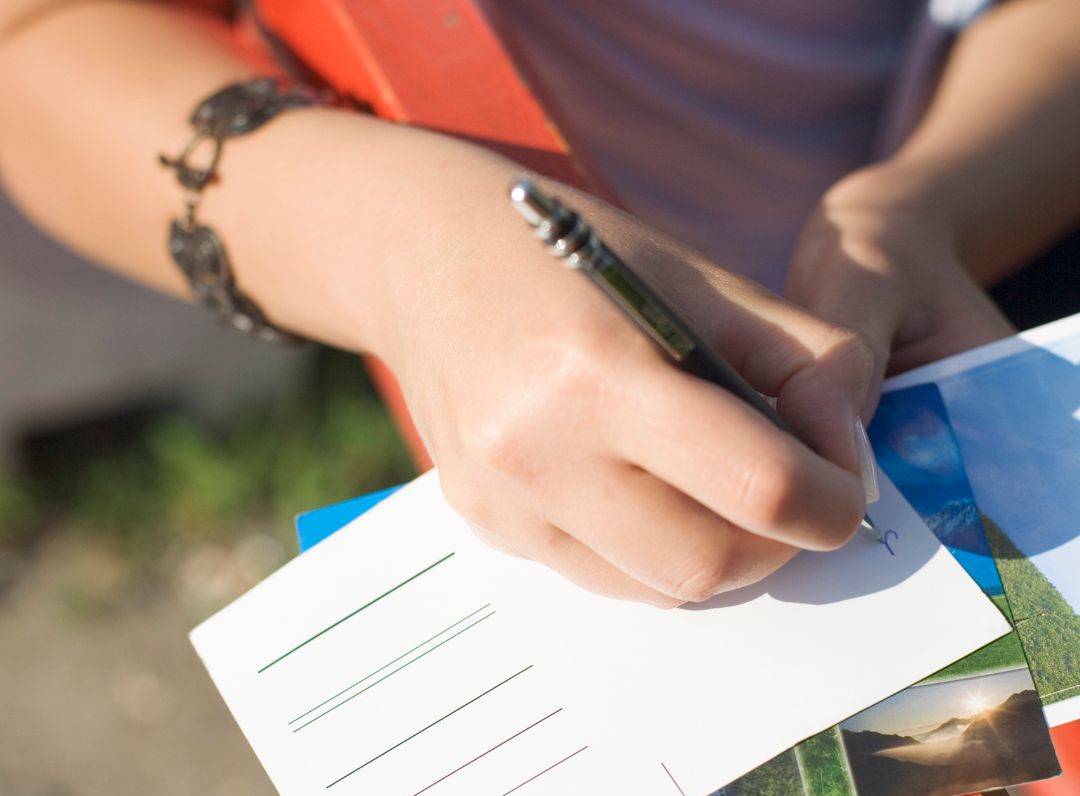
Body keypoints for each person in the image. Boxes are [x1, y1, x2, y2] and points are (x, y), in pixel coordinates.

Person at [1, 0, 1077, 606]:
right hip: (525, 344)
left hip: (994, 220)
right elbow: (36, 45)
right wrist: (395, 243)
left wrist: (926, 212)